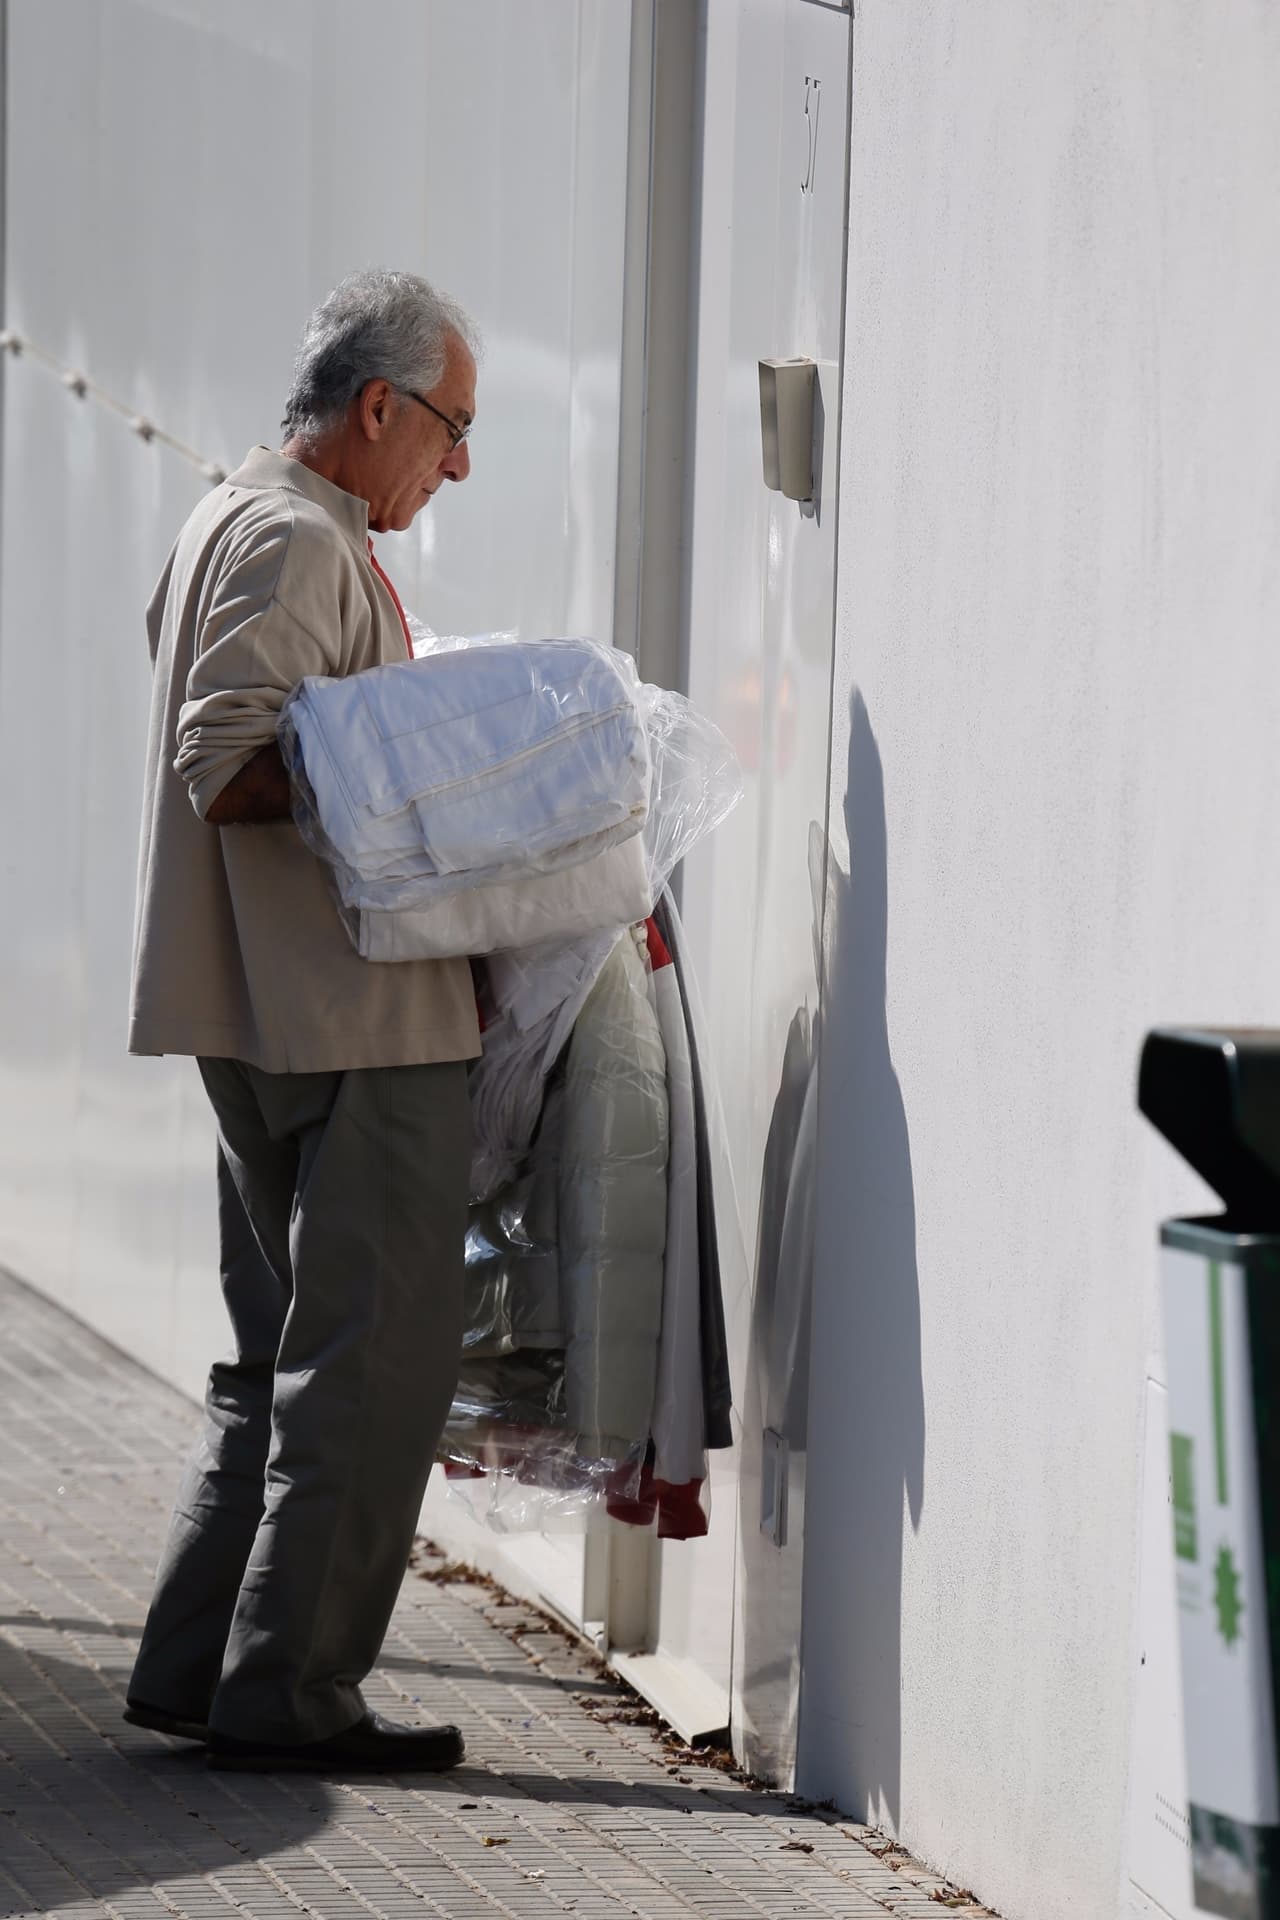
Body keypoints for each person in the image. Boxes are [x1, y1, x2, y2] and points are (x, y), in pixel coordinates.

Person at [124, 269, 482, 1773]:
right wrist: (444, 793)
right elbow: (231, 761)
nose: (456, 466)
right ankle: (293, 1700)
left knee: (282, 1356)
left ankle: (199, 1672)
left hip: (272, 1010)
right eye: (451, 428)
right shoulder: (289, 531)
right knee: (373, 1366)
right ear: (377, 405)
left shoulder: (237, 511)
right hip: (347, 1021)